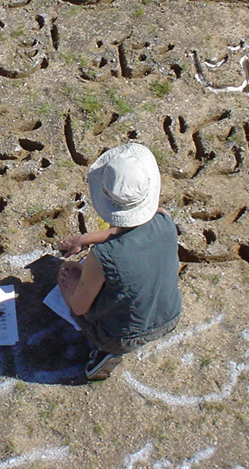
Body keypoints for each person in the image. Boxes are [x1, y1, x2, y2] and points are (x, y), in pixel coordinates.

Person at [56, 142, 181, 381]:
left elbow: (80, 306)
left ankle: (106, 352)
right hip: (171, 315)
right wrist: (84, 239)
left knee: (67, 274)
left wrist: (72, 284)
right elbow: (128, 230)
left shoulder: (103, 256)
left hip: (124, 337)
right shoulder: (164, 219)